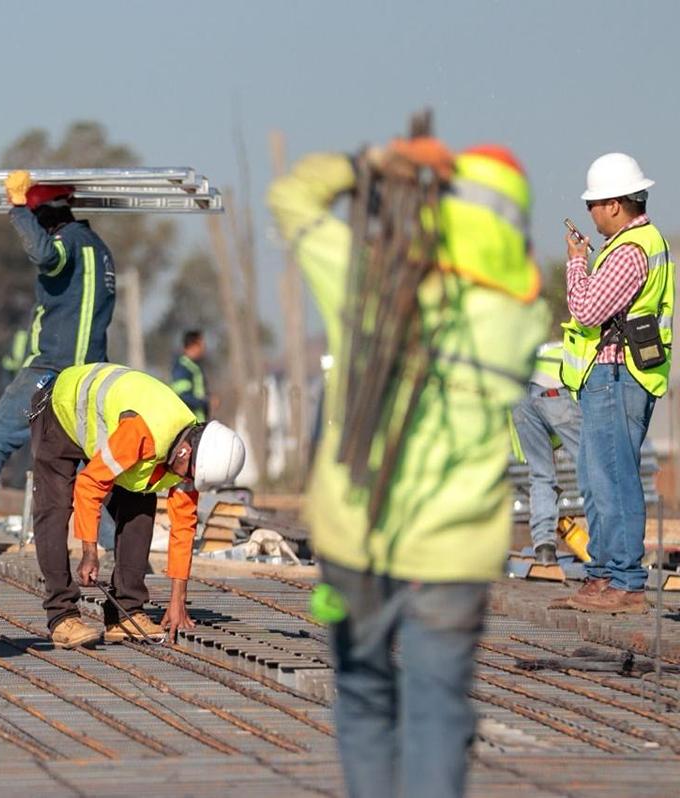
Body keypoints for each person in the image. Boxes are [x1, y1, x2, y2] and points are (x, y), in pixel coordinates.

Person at [269, 139, 548, 798]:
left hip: (357, 540)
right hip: (453, 556)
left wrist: (368, 162)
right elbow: (525, 273)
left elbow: (291, 198)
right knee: (438, 710)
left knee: (365, 698)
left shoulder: (367, 279)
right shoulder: (521, 313)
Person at [0, 170, 116, 552]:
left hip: (52, 369)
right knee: (87, 460)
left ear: (46, 215)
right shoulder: (100, 250)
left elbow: (44, 254)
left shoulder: (66, 242)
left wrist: (17, 209)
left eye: (37, 220)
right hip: (92, 374)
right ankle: (117, 548)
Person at [28, 362, 245, 648]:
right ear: (186, 451)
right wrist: (89, 551)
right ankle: (62, 616)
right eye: (189, 474)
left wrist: (177, 600)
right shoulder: (142, 434)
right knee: (54, 511)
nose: (187, 482)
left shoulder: (190, 456)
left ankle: (126, 612)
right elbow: (89, 485)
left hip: (105, 427)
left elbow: (184, 529)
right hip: (60, 409)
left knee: (140, 505)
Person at [559, 153, 671, 614]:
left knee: (616, 479)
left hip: (619, 375)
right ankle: (603, 575)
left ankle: (625, 582)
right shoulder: (630, 245)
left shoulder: (630, 251)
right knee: (596, 478)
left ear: (614, 204)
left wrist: (575, 264)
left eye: (594, 204)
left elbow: (586, 310)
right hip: (607, 375)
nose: (590, 213)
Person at [510, 340, 581, 563]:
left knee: (541, 474)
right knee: (592, 466)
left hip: (520, 396)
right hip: (554, 389)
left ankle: (544, 548)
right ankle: (608, 546)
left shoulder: (548, 350)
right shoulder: (579, 349)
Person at [170, 329, 210, 421]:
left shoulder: (194, 366)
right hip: (192, 424)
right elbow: (182, 395)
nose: (204, 348)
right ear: (193, 345)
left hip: (200, 420)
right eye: (202, 344)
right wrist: (205, 402)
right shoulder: (183, 367)